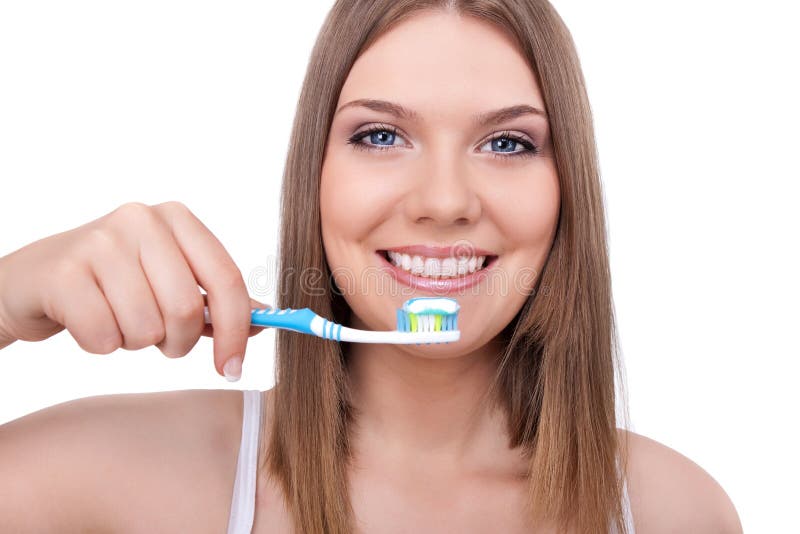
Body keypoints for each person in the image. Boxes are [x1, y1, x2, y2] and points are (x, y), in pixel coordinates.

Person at [0, 1, 743, 532]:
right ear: (313, 177)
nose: (445, 200)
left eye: (508, 144)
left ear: (566, 188)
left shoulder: (672, 511)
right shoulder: (142, 478)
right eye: (383, 135)